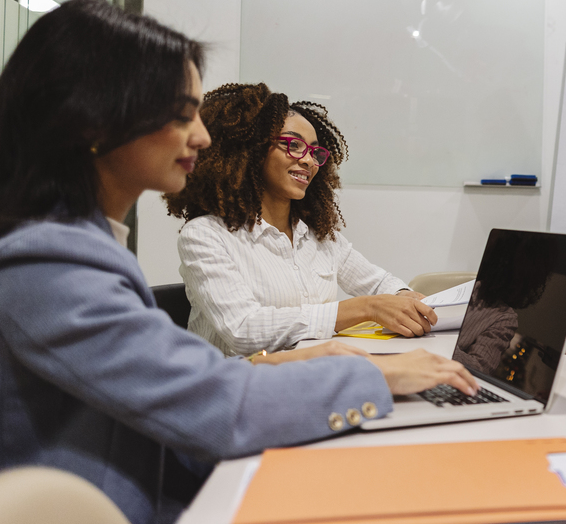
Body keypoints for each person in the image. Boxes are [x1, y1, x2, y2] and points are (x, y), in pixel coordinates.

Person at [0, 0, 478, 524]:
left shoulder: (79, 248)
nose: (201, 136)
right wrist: (375, 376)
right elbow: (215, 404)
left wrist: (282, 362)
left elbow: (170, 385)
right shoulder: (48, 265)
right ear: (93, 119)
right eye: (181, 113)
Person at [164, 83, 437, 357]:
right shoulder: (204, 235)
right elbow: (244, 331)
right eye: (294, 145)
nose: (308, 161)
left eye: (315, 152)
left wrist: (403, 295)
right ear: (252, 150)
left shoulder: (318, 235)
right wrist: (367, 308)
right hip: (238, 380)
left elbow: (377, 283)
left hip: (310, 372)